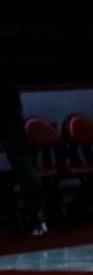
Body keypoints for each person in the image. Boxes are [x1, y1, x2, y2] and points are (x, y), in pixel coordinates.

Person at [0, 63, 48, 237]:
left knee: (23, 162)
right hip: (10, 106)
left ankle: (37, 215)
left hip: (8, 106)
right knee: (23, 162)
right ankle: (37, 216)